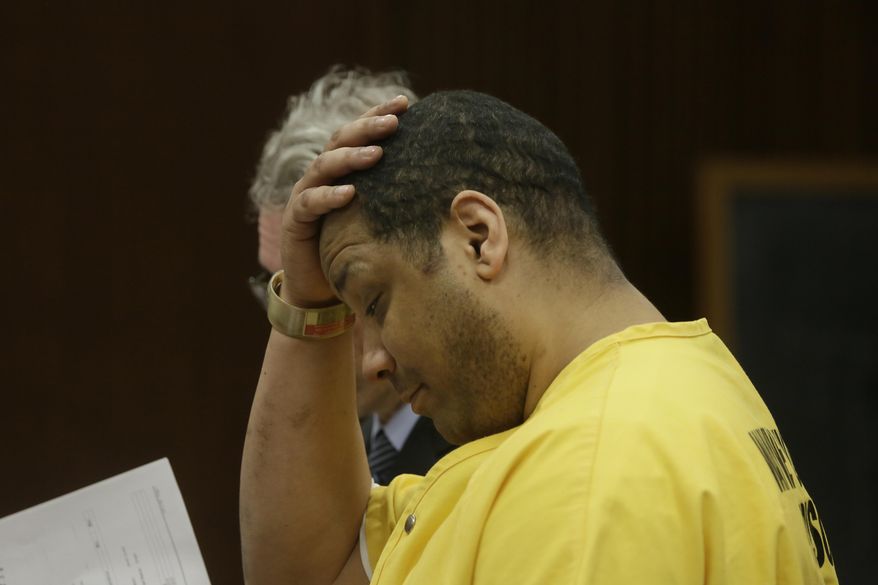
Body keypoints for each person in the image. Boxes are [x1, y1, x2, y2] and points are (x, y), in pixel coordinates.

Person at [240, 91, 839, 584]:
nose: (373, 360)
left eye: (374, 301)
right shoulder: (673, 389)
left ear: (478, 237)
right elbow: (310, 569)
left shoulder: (589, 473)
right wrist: (308, 302)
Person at [246, 66, 450, 485]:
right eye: (282, 290)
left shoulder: (480, 447)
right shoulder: (332, 438)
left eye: (327, 286)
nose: (301, 320)